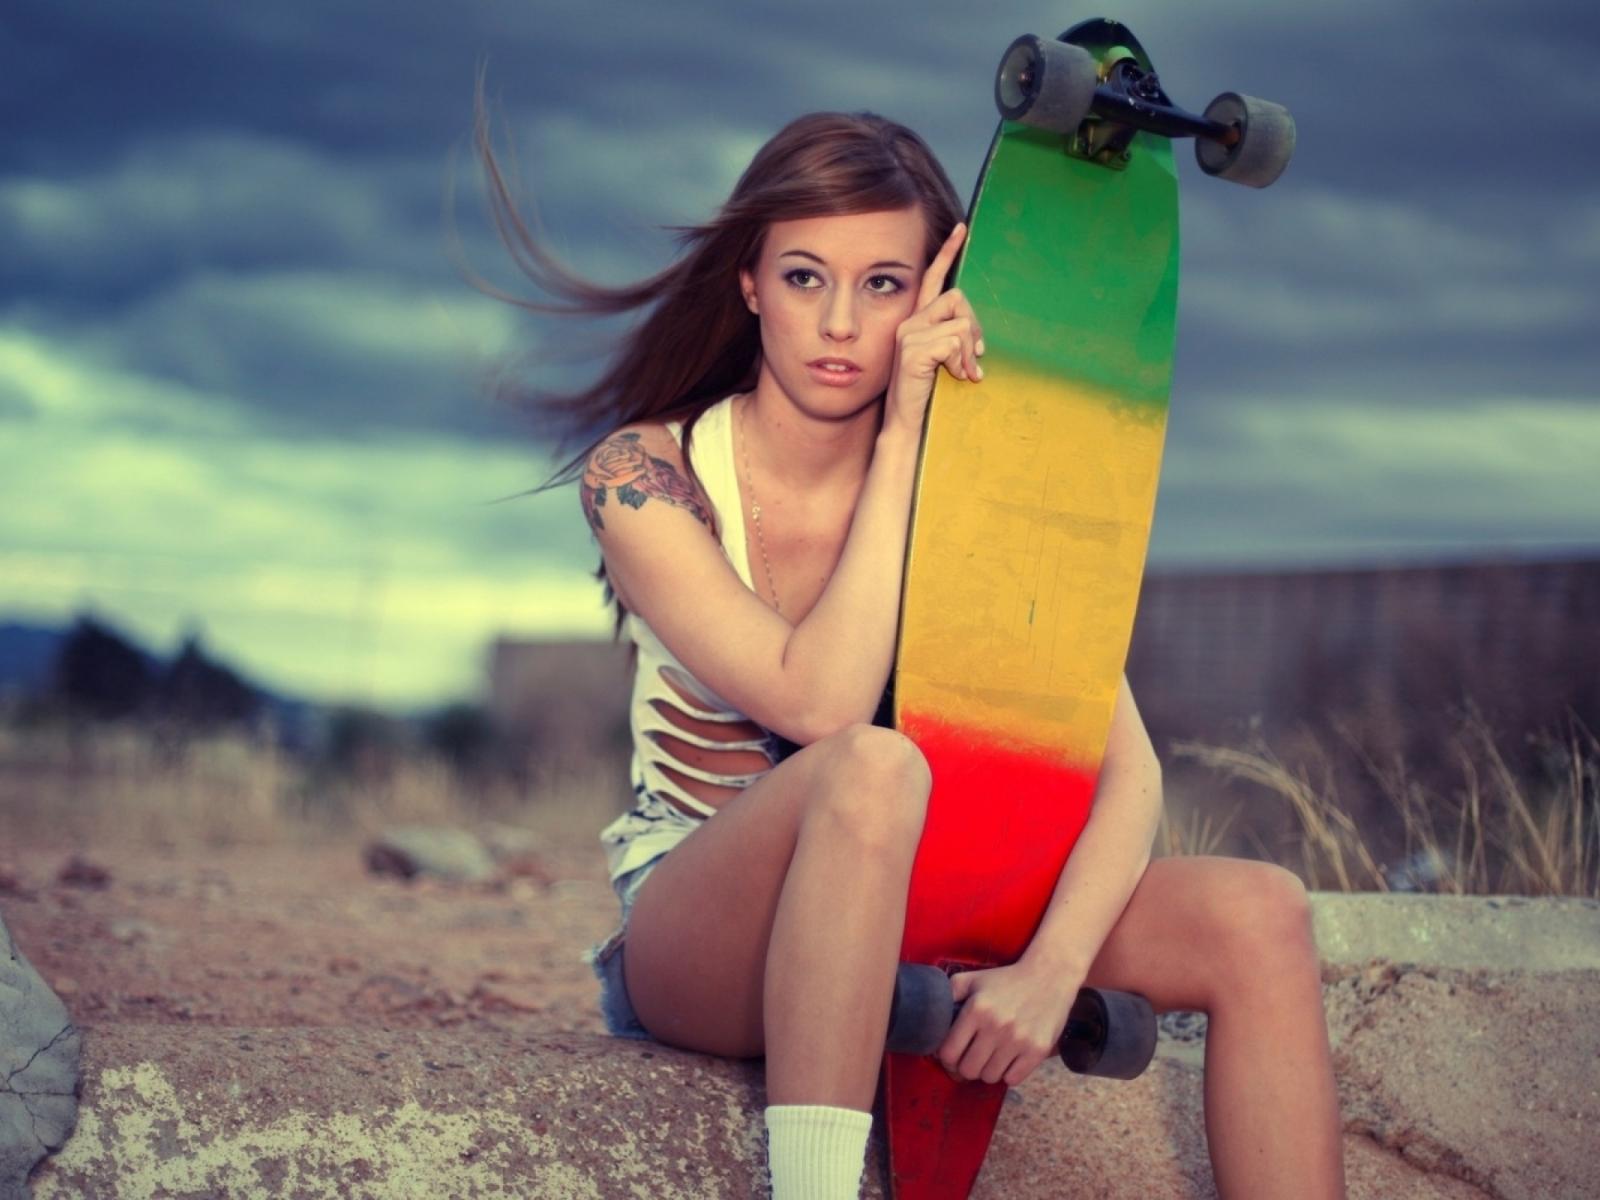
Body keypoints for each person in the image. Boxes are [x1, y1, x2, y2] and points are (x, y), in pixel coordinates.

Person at [475, 103, 1347, 1199]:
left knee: (1259, 915)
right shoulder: (645, 476)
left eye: (883, 284)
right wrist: (903, 442)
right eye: (805, 277)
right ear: (750, 284)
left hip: (928, 915)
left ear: (936, 295)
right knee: (874, 768)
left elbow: (1123, 771)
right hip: (702, 938)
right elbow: (821, 704)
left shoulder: (981, 490)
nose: (841, 324)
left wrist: (1050, 973)